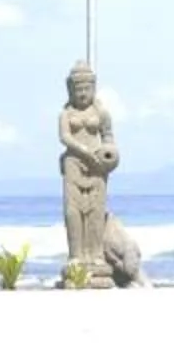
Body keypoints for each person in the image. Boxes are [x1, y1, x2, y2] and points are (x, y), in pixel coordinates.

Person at [57, 62, 119, 285]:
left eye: (87, 89)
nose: (82, 93)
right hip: (74, 163)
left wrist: (108, 153)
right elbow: (65, 137)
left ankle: (96, 255)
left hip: (97, 166)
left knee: (95, 210)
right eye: (78, 89)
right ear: (70, 90)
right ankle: (76, 256)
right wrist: (84, 151)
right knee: (73, 210)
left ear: (93, 88)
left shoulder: (101, 112)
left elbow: (108, 137)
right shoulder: (66, 114)